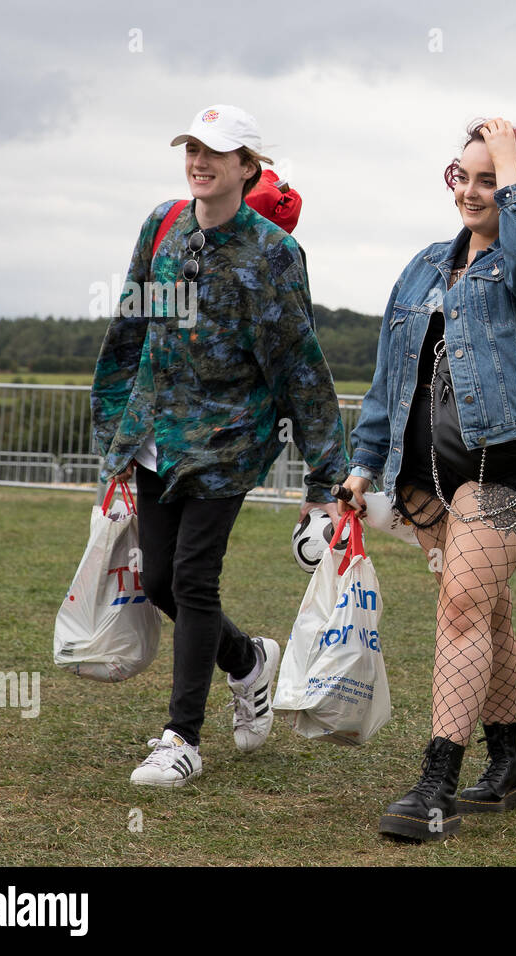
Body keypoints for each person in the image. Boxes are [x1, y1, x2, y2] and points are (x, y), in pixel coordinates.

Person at [92, 104, 348, 787]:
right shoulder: (164, 224)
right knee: (158, 581)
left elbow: (300, 361)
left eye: (216, 152)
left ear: (247, 167)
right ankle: (248, 661)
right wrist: (113, 430)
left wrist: (327, 476)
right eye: (192, 149)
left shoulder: (274, 252)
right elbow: (130, 325)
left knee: (194, 582)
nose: (200, 161)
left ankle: (181, 739)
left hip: (229, 441)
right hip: (157, 437)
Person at [341, 117, 516, 842]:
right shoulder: (420, 269)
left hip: (509, 462)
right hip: (427, 479)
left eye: (489, 178)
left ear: (515, 185)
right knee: (486, 608)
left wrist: (510, 171)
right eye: (463, 175)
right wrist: (362, 462)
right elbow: (386, 380)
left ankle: (436, 781)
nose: (472, 192)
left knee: (464, 607)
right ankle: (507, 766)